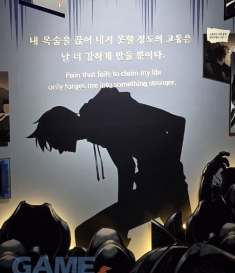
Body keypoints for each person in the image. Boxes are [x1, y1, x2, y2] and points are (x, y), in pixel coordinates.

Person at [28, 88, 192, 248]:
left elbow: (177, 122)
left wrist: (169, 167)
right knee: (184, 244)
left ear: (60, 129)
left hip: (166, 189)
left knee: (186, 246)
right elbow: (125, 166)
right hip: (152, 188)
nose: (58, 149)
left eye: (53, 141)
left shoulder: (104, 118)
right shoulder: (98, 125)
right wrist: (123, 215)